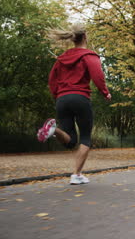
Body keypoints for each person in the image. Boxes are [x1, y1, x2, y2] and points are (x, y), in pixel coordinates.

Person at [37, 24, 111, 185]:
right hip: (80, 98)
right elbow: (97, 75)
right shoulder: (89, 55)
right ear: (85, 36)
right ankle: (76, 175)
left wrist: (58, 96)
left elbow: (52, 79)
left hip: (62, 100)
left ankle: (53, 129)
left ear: (73, 38)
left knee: (70, 141)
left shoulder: (61, 59)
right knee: (85, 138)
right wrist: (105, 92)